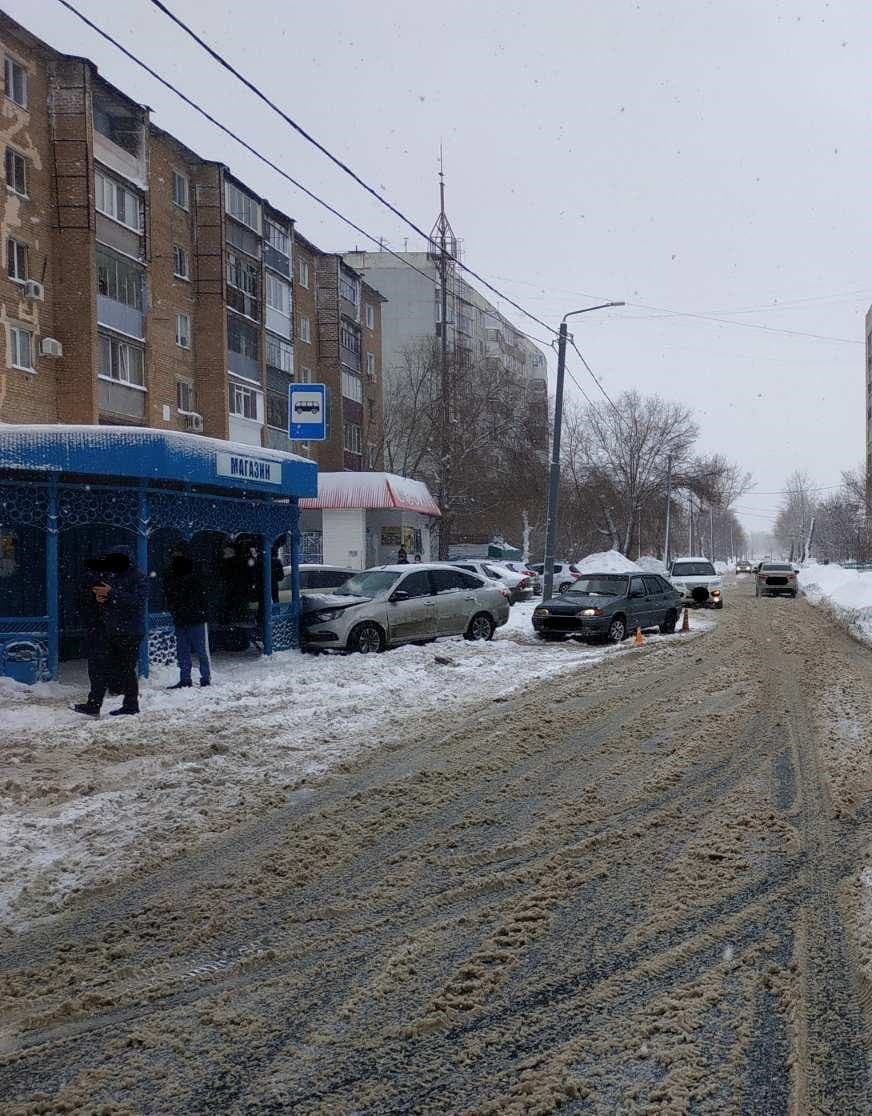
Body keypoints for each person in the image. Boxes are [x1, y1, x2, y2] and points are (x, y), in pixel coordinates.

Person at [73, 544, 147, 717]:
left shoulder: (139, 578)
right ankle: (94, 705)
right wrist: (99, 598)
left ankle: (131, 705)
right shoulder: (112, 576)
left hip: (130, 632)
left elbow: (136, 602)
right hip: (110, 630)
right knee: (101, 667)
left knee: (126, 669)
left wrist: (112, 593)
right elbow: (108, 598)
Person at [164, 542, 211, 689]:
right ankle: (189, 679)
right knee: (185, 652)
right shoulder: (176, 575)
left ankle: (202, 677)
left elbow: (202, 597)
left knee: (198, 651)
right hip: (185, 618)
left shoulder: (192, 574)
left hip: (192, 618)